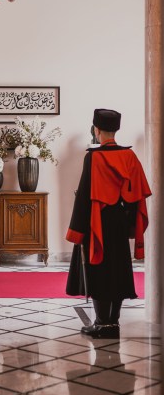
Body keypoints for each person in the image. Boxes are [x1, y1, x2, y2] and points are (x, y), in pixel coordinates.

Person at [66, 108, 151, 338]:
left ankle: (102, 323)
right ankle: (114, 323)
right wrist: (129, 223)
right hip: (119, 223)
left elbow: (84, 197)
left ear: (97, 130)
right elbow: (137, 195)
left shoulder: (93, 157)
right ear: (116, 130)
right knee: (120, 269)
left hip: (97, 223)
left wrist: (77, 231)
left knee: (99, 269)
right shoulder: (129, 156)